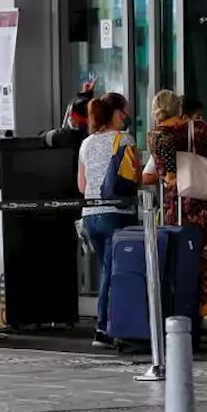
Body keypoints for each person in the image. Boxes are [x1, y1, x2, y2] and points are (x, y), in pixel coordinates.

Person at [141, 90, 207, 347]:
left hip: (177, 208)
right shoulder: (201, 130)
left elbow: (161, 173)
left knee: (182, 260)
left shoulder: (157, 136)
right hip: (206, 205)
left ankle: (184, 313)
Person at [77, 92, 138, 348]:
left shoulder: (87, 143)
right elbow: (134, 177)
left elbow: (82, 185)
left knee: (106, 270)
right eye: (125, 112)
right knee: (113, 272)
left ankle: (108, 325)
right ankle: (104, 327)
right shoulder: (125, 139)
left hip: (90, 216)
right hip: (116, 214)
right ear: (116, 113)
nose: (128, 117)